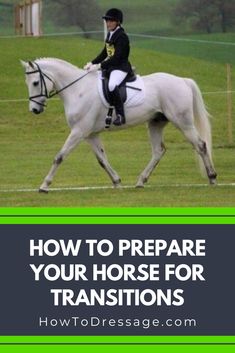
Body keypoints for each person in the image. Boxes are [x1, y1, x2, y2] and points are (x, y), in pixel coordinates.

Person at [84, 8, 133, 126]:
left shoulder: (122, 36)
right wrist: (92, 63)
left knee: (111, 85)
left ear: (118, 22)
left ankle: (121, 115)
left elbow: (117, 58)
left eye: (111, 21)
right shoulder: (111, 35)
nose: (108, 23)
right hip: (112, 67)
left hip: (121, 67)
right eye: (107, 21)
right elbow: (105, 53)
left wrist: (100, 66)